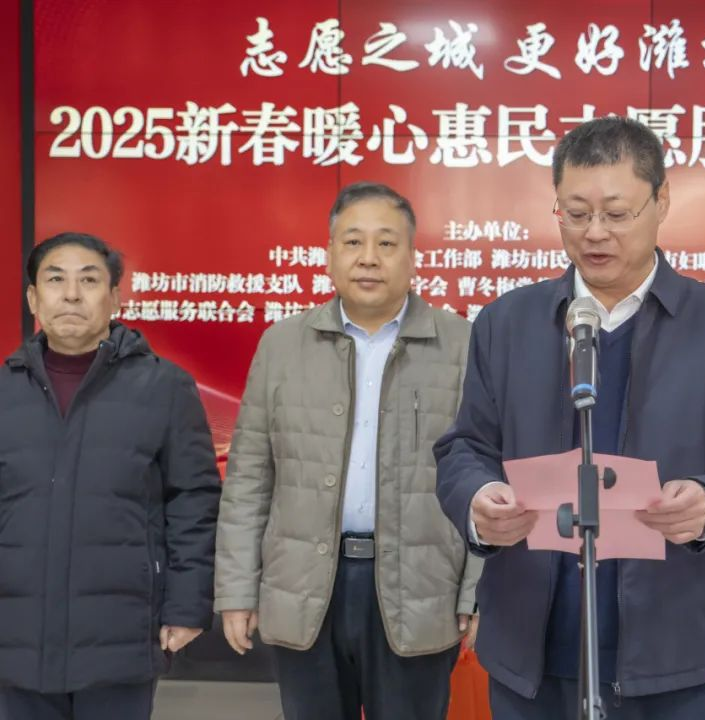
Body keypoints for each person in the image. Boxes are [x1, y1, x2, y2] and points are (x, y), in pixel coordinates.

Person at [435, 116, 705, 719]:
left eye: (617, 214)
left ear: (662, 201)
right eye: (575, 213)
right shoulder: (507, 322)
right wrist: (478, 500)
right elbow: (464, 448)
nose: (594, 233)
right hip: (530, 646)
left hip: (667, 647)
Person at [214, 182, 481, 720]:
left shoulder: (464, 346)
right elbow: (248, 479)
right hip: (305, 587)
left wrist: (476, 591)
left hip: (419, 588)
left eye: (387, 243)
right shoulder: (282, 345)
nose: (368, 258)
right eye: (353, 242)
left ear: (413, 257)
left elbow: (487, 479)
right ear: (330, 254)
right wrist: (237, 589)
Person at [0, 232, 220, 720]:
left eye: (89, 280)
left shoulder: (164, 387)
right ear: (33, 298)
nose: (71, 294)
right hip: (15, 636)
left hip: (122, 634)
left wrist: (187, 606)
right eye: (55, 280)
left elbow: (194, 501)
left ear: (115, 298)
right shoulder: (4, 391)